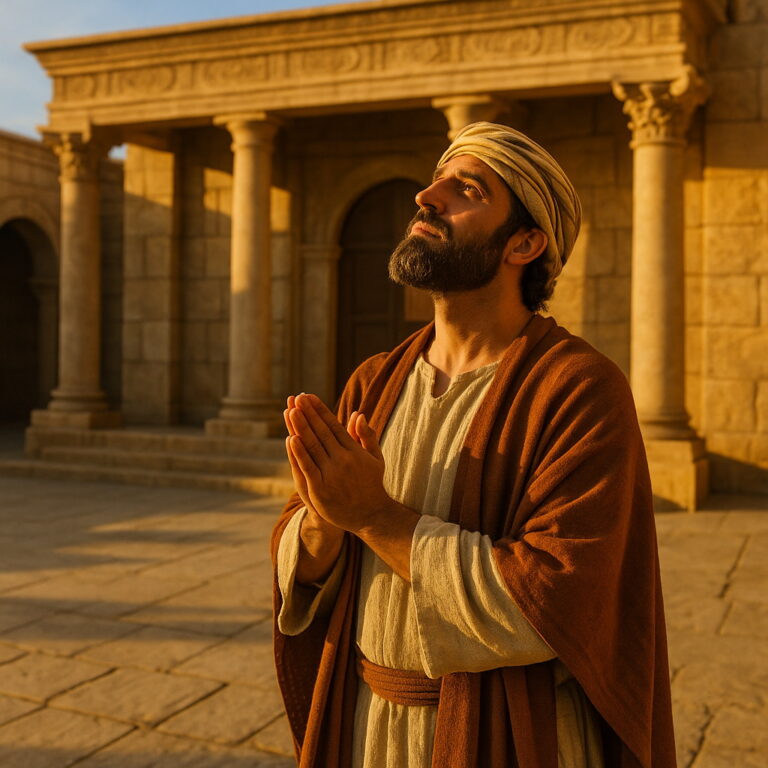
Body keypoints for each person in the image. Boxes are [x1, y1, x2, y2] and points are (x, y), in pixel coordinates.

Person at [271, 122, 675, 768]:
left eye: (466, 189)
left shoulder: (578, 390)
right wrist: (322, 521)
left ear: (525, 242)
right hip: (367, 729)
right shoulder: (374, 381)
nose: (426, 197)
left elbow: (552, 599)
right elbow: (312, 547)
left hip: (513, 739)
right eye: (435, 181)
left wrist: (373, 515)